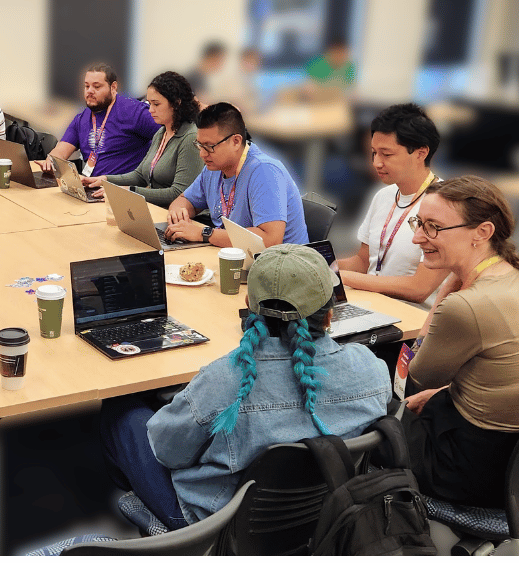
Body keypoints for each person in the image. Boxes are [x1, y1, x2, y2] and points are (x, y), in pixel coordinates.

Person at [100, 244, 390, 529]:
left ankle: (144, 512)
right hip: (328, 513)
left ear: (250, 305)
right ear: (329, 314)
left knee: (122, 411)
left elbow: (167, 451)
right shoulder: (371, 368)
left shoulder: (224, 379)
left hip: (214, 524)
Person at [399, 176, 519, 509]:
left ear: (482, 232)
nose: (417, 237)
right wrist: (445, 392)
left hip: (473, 471)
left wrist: (444, 293)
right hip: (511, 469)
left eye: (433, 227)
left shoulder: (465, 305)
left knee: (378, 413)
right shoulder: (511, 277)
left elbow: (413, 376)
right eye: (419, 223)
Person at [335, 104, 448, 306]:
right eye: (374, 153)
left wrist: (339, 276)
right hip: (369, 302)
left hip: (412, 316)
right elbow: (363, 262)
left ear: (421, 153)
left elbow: (419, 289)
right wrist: (318, 264)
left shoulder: (445, 205)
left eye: (386, 155)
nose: (376, 163)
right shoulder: (383, 195)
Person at [164, 102, 308, 246]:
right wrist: (178, 213)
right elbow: (185, 200)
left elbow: (270, 240)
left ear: (236, 141)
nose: (202, 154)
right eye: (200, 145)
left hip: (279, 263)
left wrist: (203, 234)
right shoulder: (214, 167)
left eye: (209, 146)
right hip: (236, 255)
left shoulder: (264, 171)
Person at [81, 71, 203, 208]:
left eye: (156, 104)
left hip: (178, 216)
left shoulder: (190, 138)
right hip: (156, 209)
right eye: (149, 103)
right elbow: (140, 175)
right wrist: (105, 179)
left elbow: (179, 193)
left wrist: (129, 191)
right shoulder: (161, 132)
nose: (150, 110)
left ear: (176, 104)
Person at [35, 63, 160, 177]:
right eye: (87, 86)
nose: (90, 91)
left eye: (96, 87)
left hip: (121, 191)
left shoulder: (134, 111)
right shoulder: (81, 118)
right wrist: (51, 161)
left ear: (113, 87)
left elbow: (172, 136)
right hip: (91, 188)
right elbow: (61, 151)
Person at [185, 41, 227, 107]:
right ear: (213, 58)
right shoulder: (194, 78)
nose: (222, 65)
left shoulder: (200, 77)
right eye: (221, 60)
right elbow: (203, 105)